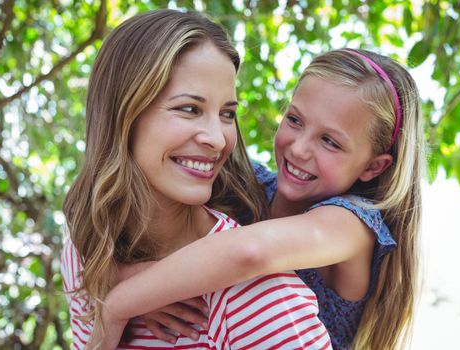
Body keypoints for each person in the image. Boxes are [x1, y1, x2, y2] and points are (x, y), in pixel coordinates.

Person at [101, 48, 425, 350]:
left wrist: (121, 301)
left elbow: (250, 252)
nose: (299, 148)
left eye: (329, 141)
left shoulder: (354, 224)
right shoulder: (250, 185)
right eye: (295, 120)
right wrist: (126, 272)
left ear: (373, 166)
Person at [60, 9, 331, 350]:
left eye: (227, 114)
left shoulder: (255, 294)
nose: (218, 140)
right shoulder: (86, 249)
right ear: (124, 113)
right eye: (189, 109)